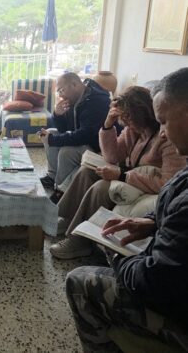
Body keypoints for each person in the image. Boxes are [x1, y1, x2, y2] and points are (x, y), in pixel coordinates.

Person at [66, 68, 188, 352]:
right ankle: (68, 225)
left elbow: (153, 282)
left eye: (165, 121)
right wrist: (153, 223)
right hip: (143, 201)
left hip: (175, 307)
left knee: (77, 281)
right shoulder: (135, 133)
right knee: (88, 174)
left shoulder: (167, 144)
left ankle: (78, 237)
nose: (164, 130)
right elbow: (113, 155)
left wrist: (115, 255)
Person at [50, 86, 185, 259]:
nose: (125, 122)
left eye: (128, 117)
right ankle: (66, 217)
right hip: (131, 176)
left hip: (146, 185)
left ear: (141, 113)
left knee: (101, 187)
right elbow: (112, 156)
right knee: (87, 171)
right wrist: (107, 126)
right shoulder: (132, 131)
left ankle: (79, 241)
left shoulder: (168, 138)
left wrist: (122, 176)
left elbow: (167, 183)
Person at [39, 72, 110, 203]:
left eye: (61, 90)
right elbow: (66, 130)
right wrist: (58, 115)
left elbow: (85, 135)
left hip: (99, 147)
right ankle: (52, 177)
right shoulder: (75, 98)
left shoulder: (96, 101)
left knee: (67, 151)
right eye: (58, 92)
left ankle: (60, 190)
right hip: (84, 140)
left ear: (74, 84)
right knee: (50, 132)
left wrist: (52, 140)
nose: (60, 95)